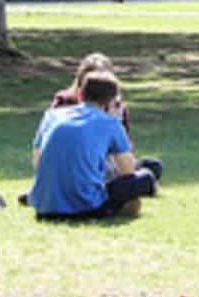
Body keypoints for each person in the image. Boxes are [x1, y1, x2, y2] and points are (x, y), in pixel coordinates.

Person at [29, 70, 158, 220]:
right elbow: (127, 172)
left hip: (44, 208)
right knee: (146, 177)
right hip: (86, 209)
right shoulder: (111, 123)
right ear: (111, 102)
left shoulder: (52, 116)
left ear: (81, 95)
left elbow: (37, 161)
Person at [48, 52, 162, 182]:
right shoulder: (64, 104)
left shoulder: (115, 108)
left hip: (110, 160)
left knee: (153, 166)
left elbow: (125, 144)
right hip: (76, 164)